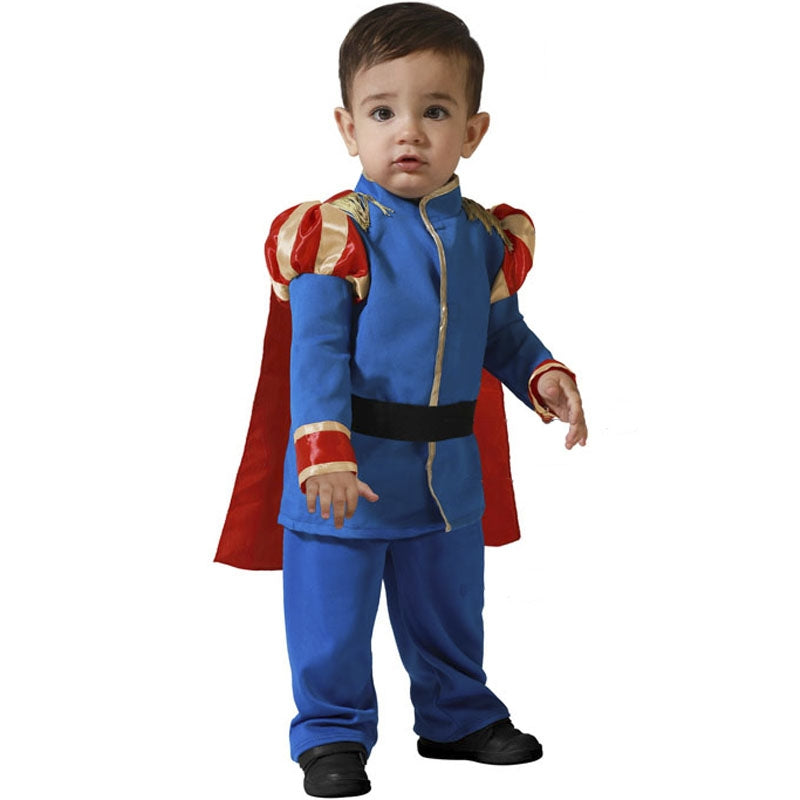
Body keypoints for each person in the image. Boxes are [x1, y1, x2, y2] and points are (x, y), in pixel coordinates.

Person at [216, 3, 587, 797]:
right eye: (383, 112)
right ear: (349, 128)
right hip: (344, 469)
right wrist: (323, 451)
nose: (409, 132)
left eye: (436, 112)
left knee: (449, 608)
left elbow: (502, 335)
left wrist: (541, 375)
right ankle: (331, 733)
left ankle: (457, 717)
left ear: (473, 132)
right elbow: (315, 354)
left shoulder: (483, 238)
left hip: (445, 471)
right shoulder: (335, 235)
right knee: (332, 617)